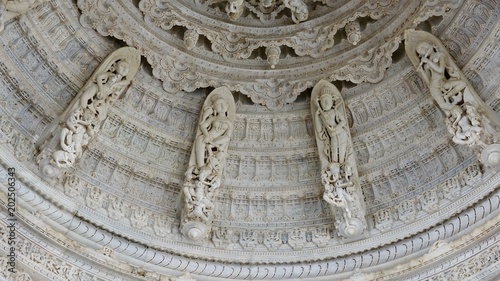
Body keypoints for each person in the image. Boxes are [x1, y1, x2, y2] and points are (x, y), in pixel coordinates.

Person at [416, 42, 466, 113]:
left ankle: (448, 95)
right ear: (422, 55)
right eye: (422, 50)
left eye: (424, 46)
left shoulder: (440, 55)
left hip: (443, 83)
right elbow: (428, 82)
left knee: (463, 83)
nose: (425, 49)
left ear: (430, 44)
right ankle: (456, 112)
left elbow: (441, 70)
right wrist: (422, 71)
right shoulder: (426, 65)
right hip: (434, 86)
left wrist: (428, 61)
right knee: (442, 105)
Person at [194, 96, 233, 169]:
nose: (221, 106)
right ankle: (201, 166)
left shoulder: (229, 122)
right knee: (200, 139)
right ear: (214, 107)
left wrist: (215, 143)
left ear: (227, 105)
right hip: (208, 136)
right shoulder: (213, 118)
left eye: (223, 104)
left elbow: (227, 136)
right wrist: (207, 135)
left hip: (218, 141)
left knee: (225, 140)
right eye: (218, 104)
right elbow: (203, 126)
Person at [315, 87, 349, 164]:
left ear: (332, 101)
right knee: (334, 153)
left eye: (328, 101)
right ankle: (336, 168)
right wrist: (316, 116)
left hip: (341, 133)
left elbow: (343, 122)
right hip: (332, 136)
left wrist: (335, 129)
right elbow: (319, 129)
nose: (326, 103)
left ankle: (343, 166)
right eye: (323, 102)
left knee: (342, 153)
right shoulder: (321, 116)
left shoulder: (334, 111)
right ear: (320, 103)